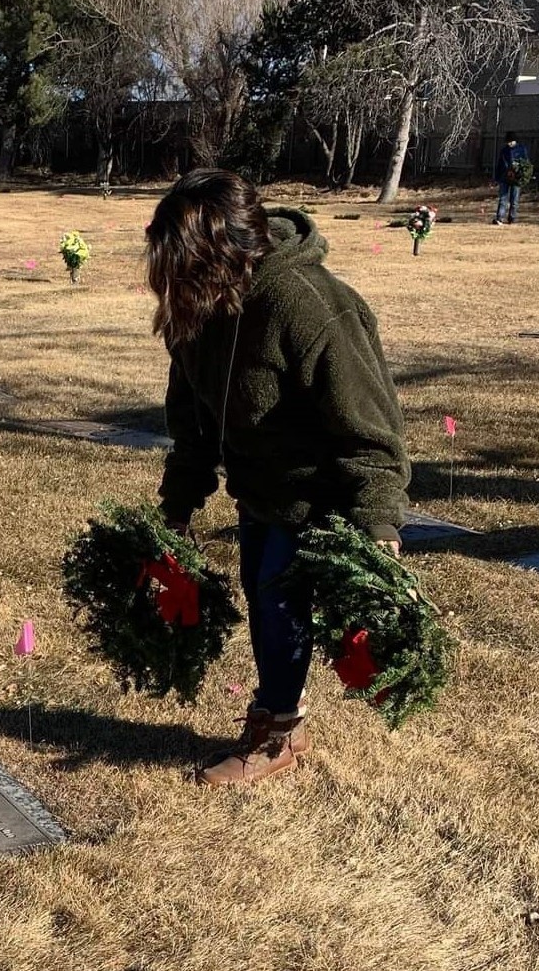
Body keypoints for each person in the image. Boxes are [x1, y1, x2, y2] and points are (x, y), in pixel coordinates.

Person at [147, 169, 410, 788]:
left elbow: (371, 426)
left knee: (278, 602)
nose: (165, 274)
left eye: (178, 258)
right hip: (258, 491)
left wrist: (379, 527)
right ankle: (274, 713)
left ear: (221, 249)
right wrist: (178, 506)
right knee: (266, 605)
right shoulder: (200, 312)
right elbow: (193, 427)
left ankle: (278, 735)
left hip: (320, 493)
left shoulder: (310, 305)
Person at [493, 131, 530, 225]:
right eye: (508, 142)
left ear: (515, 141)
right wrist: (497, 178)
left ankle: (512, 218)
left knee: (514, 199)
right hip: (504, 177)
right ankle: (500, 217)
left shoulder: (522, 149)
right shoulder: (504, 150)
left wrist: (521, 175)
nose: (510, 143)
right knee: (503, 198)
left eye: (511, 141)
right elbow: (500, 165)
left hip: (516, 178)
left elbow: (526, 164)